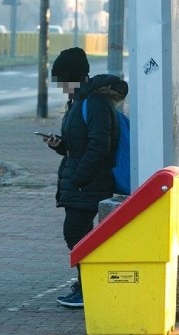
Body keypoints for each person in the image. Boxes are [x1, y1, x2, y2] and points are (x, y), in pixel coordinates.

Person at [42, 47, 128, 308]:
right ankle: (87, 283)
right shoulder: (79, 102)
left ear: (73, 76)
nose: (60, 85)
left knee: (77, 234)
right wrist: (60, 145)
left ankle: (89, 287)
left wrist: (80, 178)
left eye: (62, 79)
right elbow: (79, 145)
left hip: (90, 182)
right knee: (80, 234)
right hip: (82, 180)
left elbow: (100, 144)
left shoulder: (95, 103)